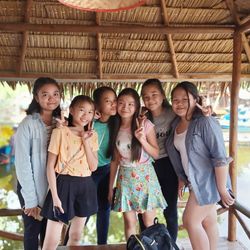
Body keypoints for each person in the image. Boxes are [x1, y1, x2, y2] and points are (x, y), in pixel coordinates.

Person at [165, 81, 235, 250]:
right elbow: (182, 155)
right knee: (208, 221)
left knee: (190, 221)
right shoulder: (176, 124)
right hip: (195, 182)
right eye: (175, 100)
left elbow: (219, 157)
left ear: (195, 99)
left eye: (184, 99)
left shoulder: (205, 122)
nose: (179, 103)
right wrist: (182, 178)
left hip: (210, 182)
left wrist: (222, 189)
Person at [108, 88, 167, 240]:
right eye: (121, 103)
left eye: (130, 104)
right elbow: (115, 161)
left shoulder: (145, 124)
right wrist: (110, 188)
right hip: (125, 178)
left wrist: (141, 139)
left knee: (149, 223)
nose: (125, 107)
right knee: (129, 222)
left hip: (145, 177)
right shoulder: (115, 125)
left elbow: (155, 153)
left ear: (136, 106)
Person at [41, 95, 98, 249]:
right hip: (63, 185)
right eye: (81, 110)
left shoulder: (93, 135)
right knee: (51, 240)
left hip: (85, 185)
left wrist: (86, 141)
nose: (86, 115)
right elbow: (50, 167)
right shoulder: (60, 132)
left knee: (76, 236)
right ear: (71, 110)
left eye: (90, 112)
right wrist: (55, 197)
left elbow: (93, 167)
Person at [14, 77, 62, 250]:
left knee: (49, 232)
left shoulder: (62, 123)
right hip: (30, 187)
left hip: (53, 188)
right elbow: (22, 163)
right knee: (32, 231)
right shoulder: (28, 124)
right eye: (45, 94)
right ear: (36, 97)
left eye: (55, 94)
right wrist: (31, 199)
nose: (52, 99)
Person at [139, 78, 178, 241]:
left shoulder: (173, 113)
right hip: (148, 166)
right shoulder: (142, 116)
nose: (150, 99)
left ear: (163, 95)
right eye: (146, 96)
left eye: (154, 94)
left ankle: (171, 244)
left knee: (170, 209)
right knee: (145, 209)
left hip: (169, 165)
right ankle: (148, 242)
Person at [90, 86, 117, 244]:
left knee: (105, 208)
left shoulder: (117, 123)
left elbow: (115, 159)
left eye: (114, 100)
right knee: (84, 211)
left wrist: (110, 187)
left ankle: (102, 244)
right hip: (89, 172)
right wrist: (91, 119)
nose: (113, 104)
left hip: (107, 170)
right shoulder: (90, 123)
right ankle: (70, 243)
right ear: (98, 106)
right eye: (108, 101)